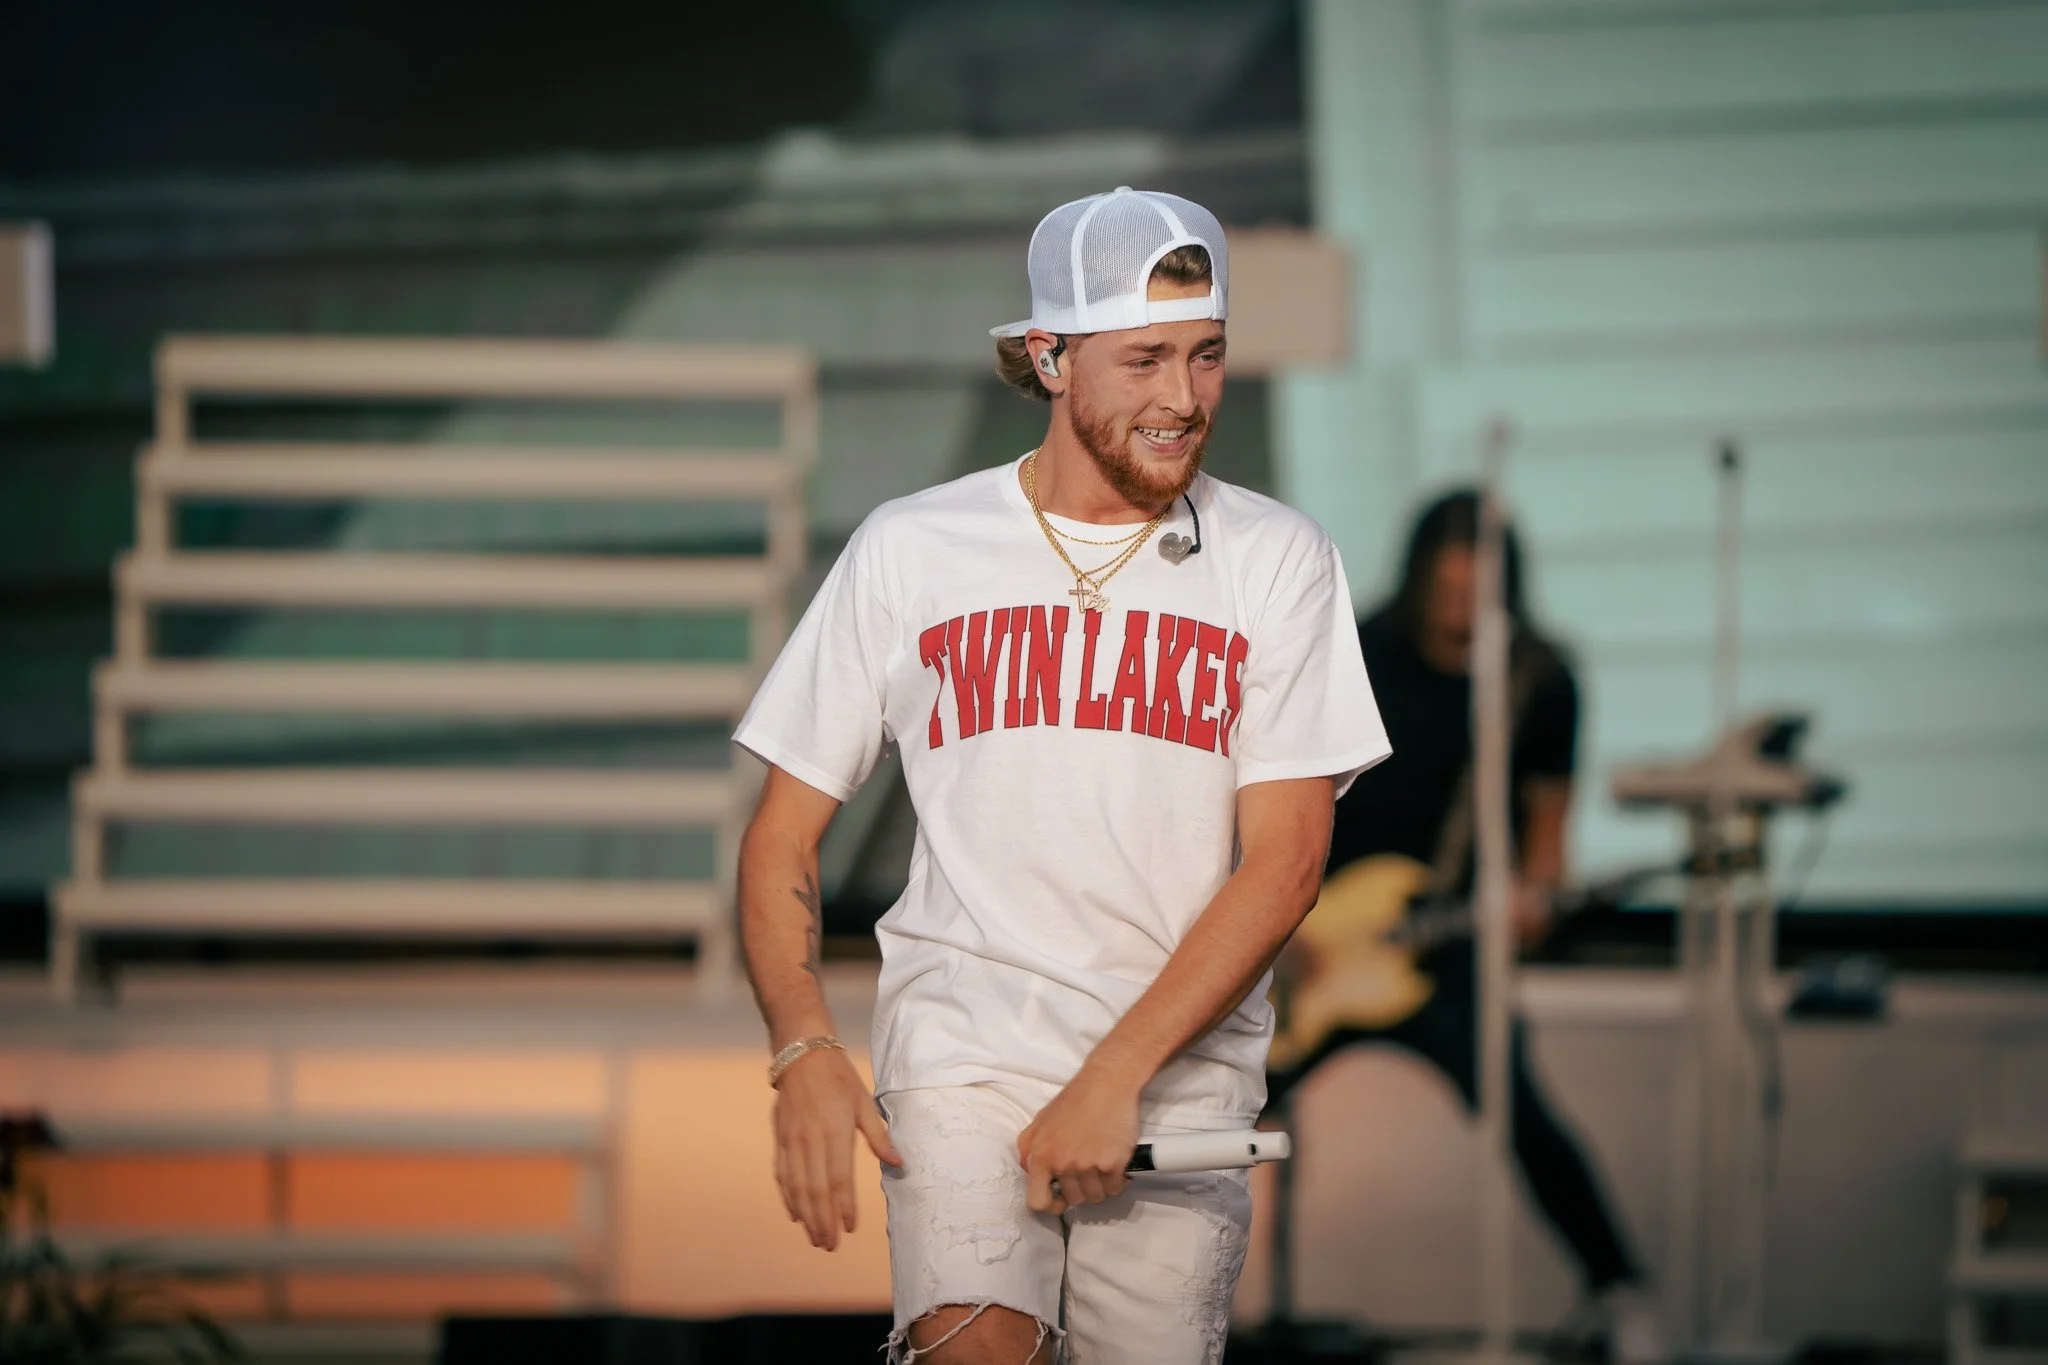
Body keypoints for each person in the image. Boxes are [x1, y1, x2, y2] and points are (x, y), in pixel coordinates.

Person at [732, 187, 1389, 1364]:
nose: (1182, 397)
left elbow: (1287, 863)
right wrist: (802, 1046)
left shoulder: (1277, 559)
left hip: (1178, 1078)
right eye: (1143, 360)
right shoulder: (912, 547)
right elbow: (782, 832)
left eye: (1205, 354)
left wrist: (1114, 1076)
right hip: (964, 1059)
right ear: (1047, 358)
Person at [1270, 490, 1665, 1363]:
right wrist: (1278, 921)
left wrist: (1534, 903)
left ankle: (1621, 1292)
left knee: (1524, 1110)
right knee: (1221, 1096)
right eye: (1446, 594)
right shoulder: (1353, 651)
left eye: (1476, 597)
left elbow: (1547, 840)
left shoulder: (1537, 680)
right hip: (1314, 944)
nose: (1459, 614)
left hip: (1442, 944)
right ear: (1417, 581)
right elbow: (1277, 799)